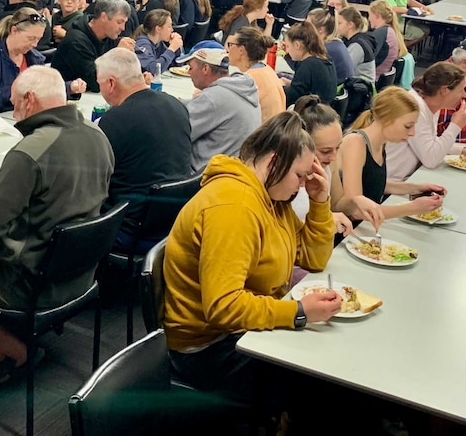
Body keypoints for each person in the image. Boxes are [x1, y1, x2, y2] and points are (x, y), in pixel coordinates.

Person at [0, 66, 114, 387]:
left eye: (13, 102)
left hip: (29, 284)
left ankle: (12, 345)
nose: (12, 110)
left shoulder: (30, 151)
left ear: (29, 100)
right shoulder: (98, 135)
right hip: (81, 273)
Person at [163, 112, 340, 405]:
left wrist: (320, 203)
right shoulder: (235, 207)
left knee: (324, 363)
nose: (300, 185)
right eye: (299, 175)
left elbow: (314, 259)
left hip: (239, 333)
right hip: (207, 349)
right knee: (321, 381)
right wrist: (297, 312)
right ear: (273, 163)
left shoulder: (272, 197)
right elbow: (223, 307)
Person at [94, 48, 191, 252]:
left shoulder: (115, 121)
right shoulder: (176, 106)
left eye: (100, 83)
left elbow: (93, 179)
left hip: (128, 230)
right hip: (173, 222)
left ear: (111, 83)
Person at [336, 87, 449, 218]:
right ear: (386, 119)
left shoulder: (380, 142)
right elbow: (355, 210)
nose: (412, 133)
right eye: (408, 126)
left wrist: (416, 188)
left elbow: (373, 183)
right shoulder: (355, 143)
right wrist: (411, 208)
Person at [0, 7, 86, 114]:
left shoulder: (35, 58)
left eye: (38, 39)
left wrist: (70, 87)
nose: (35, 44)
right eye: (31, 38)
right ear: (14, 31)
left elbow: (44, 88)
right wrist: (15, 92)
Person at [291, 96, 385, 232]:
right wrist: (324, 220)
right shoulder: (286, 176)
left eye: (338, 148)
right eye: (325, 151)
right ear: (302, 144)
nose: (334, 157)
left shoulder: (328, 165)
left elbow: (336, 204)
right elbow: (280, 228)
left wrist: (356, 200)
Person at [386, 62, 466, 181]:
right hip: (392, 184)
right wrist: (455, 126)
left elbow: (432, 142)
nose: (464, 95)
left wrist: (463, 151)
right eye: (461, 90)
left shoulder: (432, 104)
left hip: (409, 177)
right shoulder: (416, 108)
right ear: (444, 90)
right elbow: (431, 159)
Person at [176, 41, 260, 171]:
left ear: (205, 69)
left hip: (202, 178)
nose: (188, 72)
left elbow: (177, 133)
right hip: (232, 173)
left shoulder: (212, 98)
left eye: (190, 67)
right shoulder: (243, 89)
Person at [53, 0, 135, 92]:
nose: (123, 28)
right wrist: (117, 54)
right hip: (68, 98)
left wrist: (141, 74)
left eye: (124, 22)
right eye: (119, 22)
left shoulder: (110, 37)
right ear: (103, 17)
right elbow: (96, 82)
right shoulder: (75, 40)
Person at [226, 26, 285, 122]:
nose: (228, 49)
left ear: (241, 50)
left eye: (230, 45)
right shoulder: (267, 70)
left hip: (262, 134)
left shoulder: (248, 81)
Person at [281, 21, 338, 105]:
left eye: (288, 46)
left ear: (297, 45)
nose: (288, 50)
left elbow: (291, 98)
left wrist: (278, 86)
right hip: (324, 111)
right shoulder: (325, 59)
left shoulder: (308, 65)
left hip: (310, 113)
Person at [307, 7, 353, 84]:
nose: (303, 28)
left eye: (307, 25)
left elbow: (309, 78)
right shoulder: (335, 44)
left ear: (320, 29)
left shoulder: (326, 49)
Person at [133, 9, 183, 75]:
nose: (172, 30)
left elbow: (175, 65)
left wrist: (176, 49)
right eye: (169, 26)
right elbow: (153, 70)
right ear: (158, 29)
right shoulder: (142, 44)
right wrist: (171, 49)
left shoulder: (158, 43)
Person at [367, 0, 407, 79]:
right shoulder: (390, 30)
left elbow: (370, 58)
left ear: (377, 15)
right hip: (382, 75)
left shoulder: (381, 32)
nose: (369, 18)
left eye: (369, 15)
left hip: (374, 78)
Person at [337, 6, 376, 82]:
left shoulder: (356, 46)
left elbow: (345, 69)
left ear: (350, 25)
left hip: (361, 88)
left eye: (339, 23)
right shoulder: (359, 39)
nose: (337, 26)